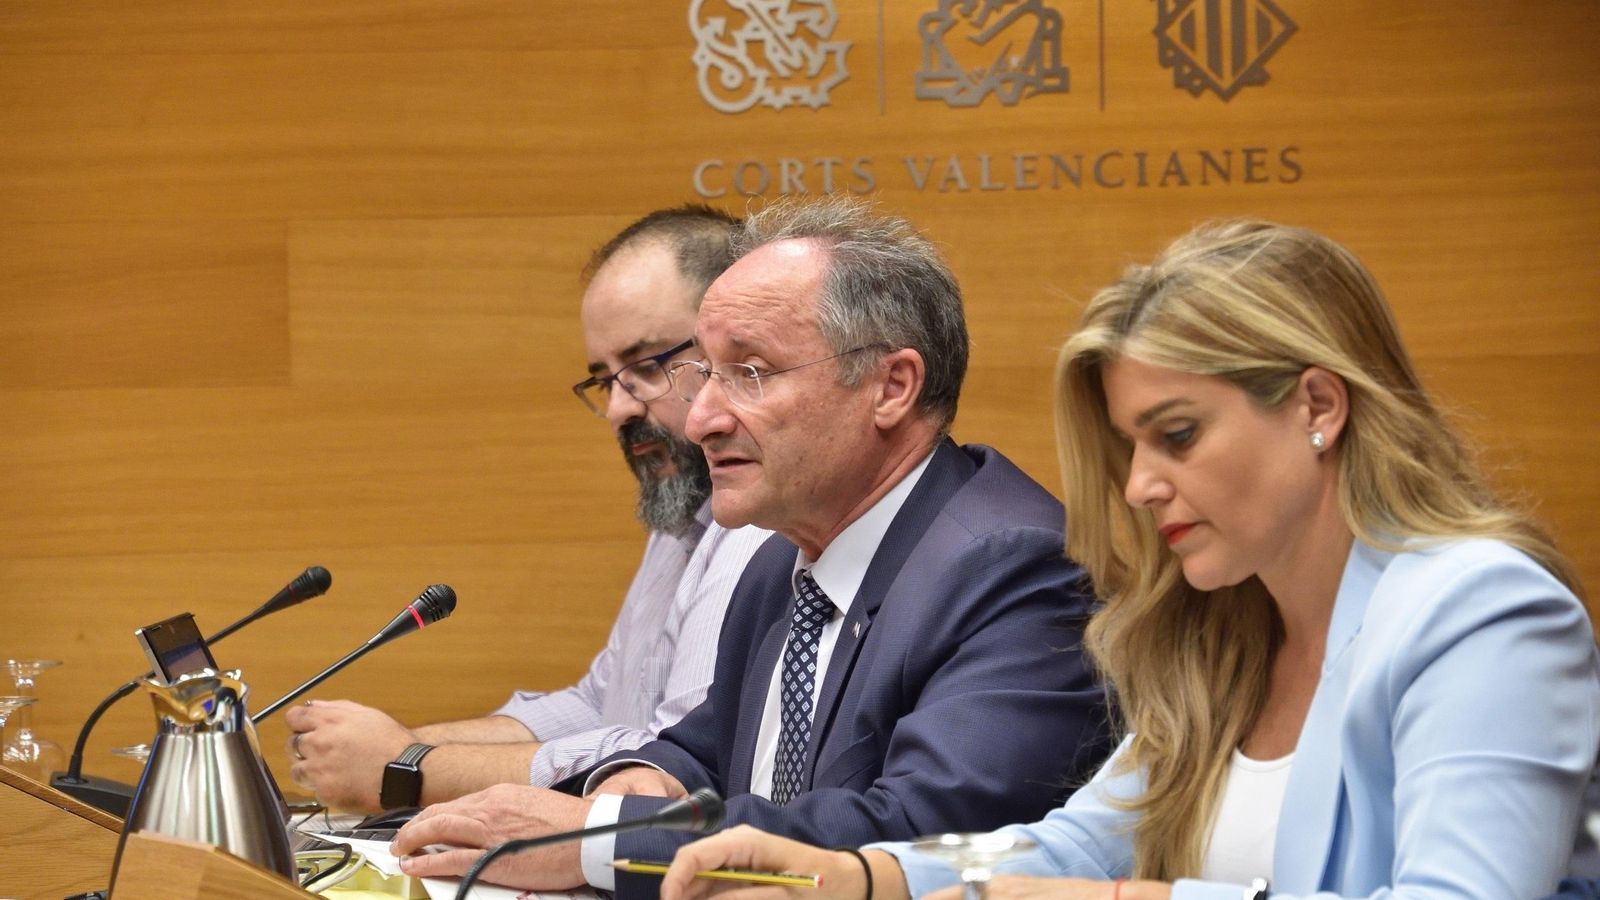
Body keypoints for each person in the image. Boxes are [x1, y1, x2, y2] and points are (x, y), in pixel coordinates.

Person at [656, 220, 1600, 900]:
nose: (1142, 487)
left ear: (1318, 406)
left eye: (1177, 436)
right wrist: (868, 877)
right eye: (1131, 448)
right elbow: (1073, 845)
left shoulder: (1485, 613)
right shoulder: (1223, 629)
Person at [390, 197, 1112, 896]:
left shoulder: (1015, 565)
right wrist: (639, 779)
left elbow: (917, 834)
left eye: (751, 373)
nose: (701, 418)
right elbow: (704, 750)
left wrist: (597, 838)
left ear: (892, 386)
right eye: (706, 372)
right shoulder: (782, 557)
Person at [283, 205, 772, 811]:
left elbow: (673, 763)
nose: (619, 409)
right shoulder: (681, 511)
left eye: (646, 367)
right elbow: (600, 704)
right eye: (603, 380)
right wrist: (401, 744)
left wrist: (409, 767)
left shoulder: (763, 526)